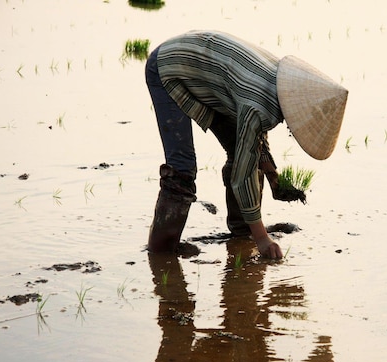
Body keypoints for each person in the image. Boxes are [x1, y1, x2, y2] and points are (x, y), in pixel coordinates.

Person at [145, 30, 348, 259]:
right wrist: (262, 238)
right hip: (167, 68)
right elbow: (244, 171)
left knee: (239, 149)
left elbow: (253, 138)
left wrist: (273, 177)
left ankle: (242, 234)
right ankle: (160, 254)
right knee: (182, 167)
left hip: (204, 69)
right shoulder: (258, 103)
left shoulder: (277, 84)